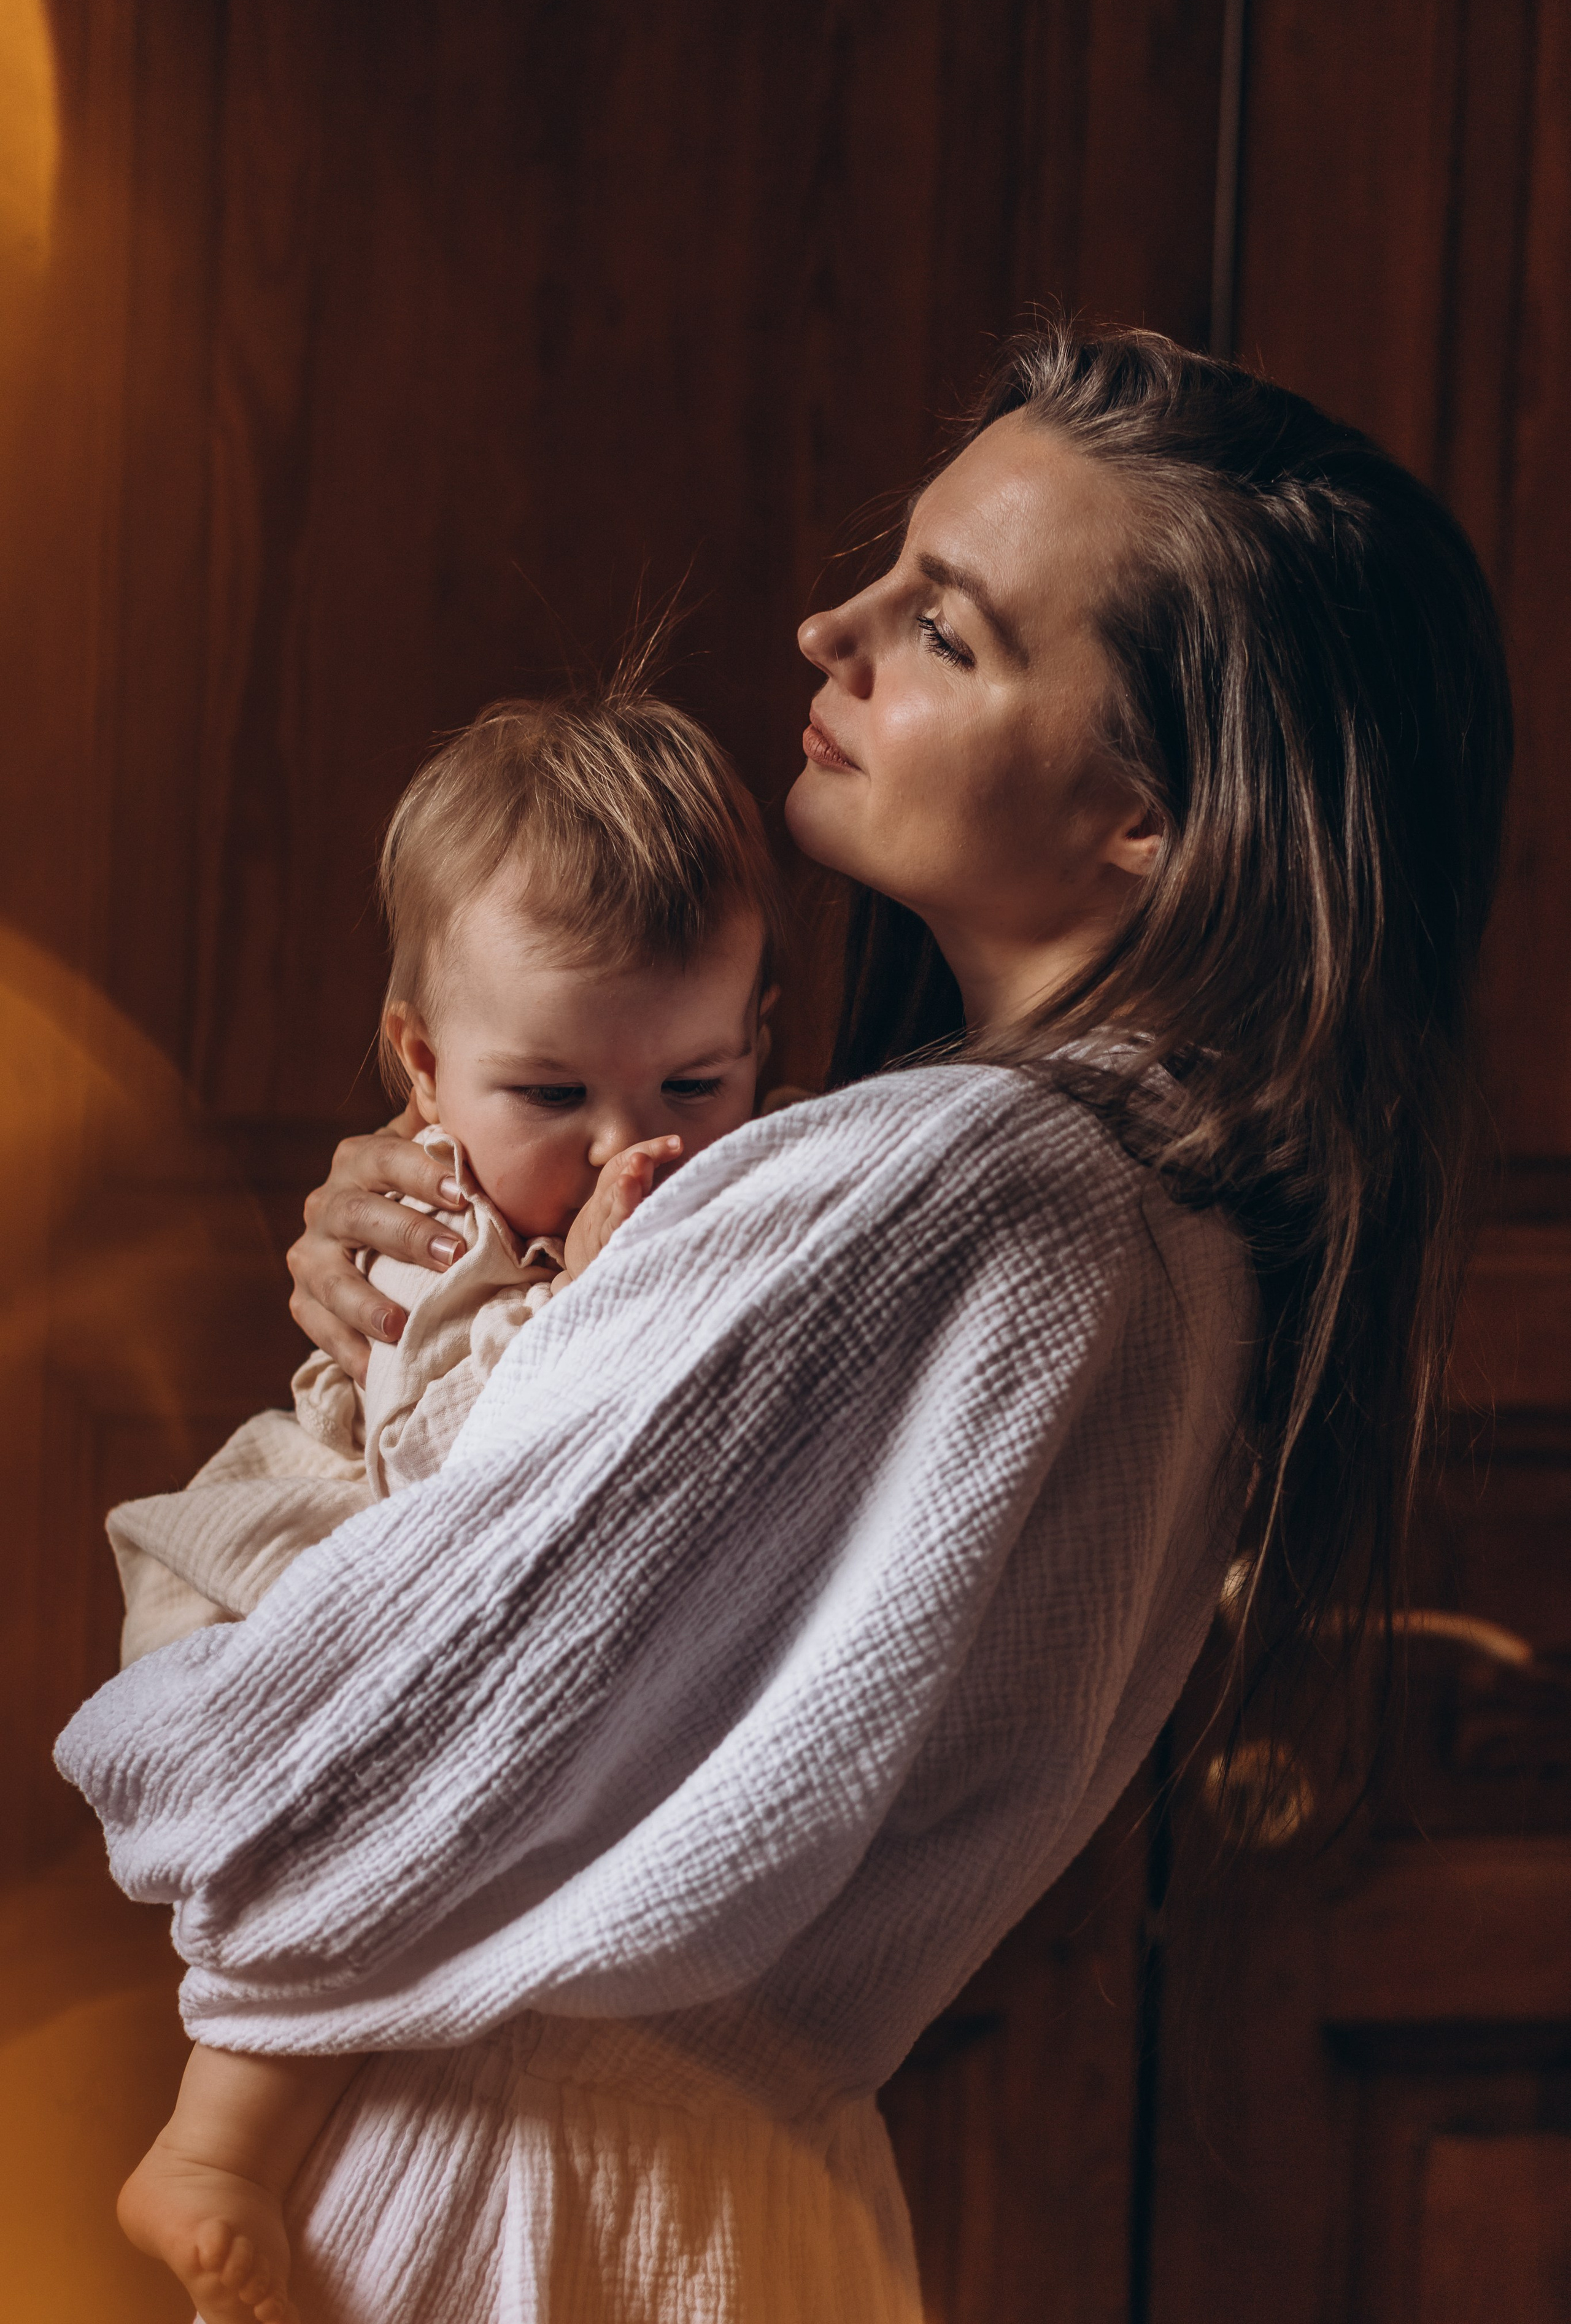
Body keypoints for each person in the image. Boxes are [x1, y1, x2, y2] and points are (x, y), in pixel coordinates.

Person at [58, 322, 1511, 2324]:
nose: (830, 628)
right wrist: (429, 1313)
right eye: (883, 573)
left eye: (949, 630)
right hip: (678, 2188)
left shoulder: (957, 1188)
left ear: (1153, 818)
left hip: (520, 2208)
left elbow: (275, 1802)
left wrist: (226, 1611)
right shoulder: (1146, 1203)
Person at [103, 685, 782, 2324]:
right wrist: (597, 1309)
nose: (638, 1148)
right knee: (341, 1870)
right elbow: (475, 1464)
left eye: (697, 1082)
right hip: (323, 1572)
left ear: (763, 1044)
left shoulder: (740, 1198)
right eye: (553, 1097)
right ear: (424, 1063)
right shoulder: (429, 1226)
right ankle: (210, 2146)